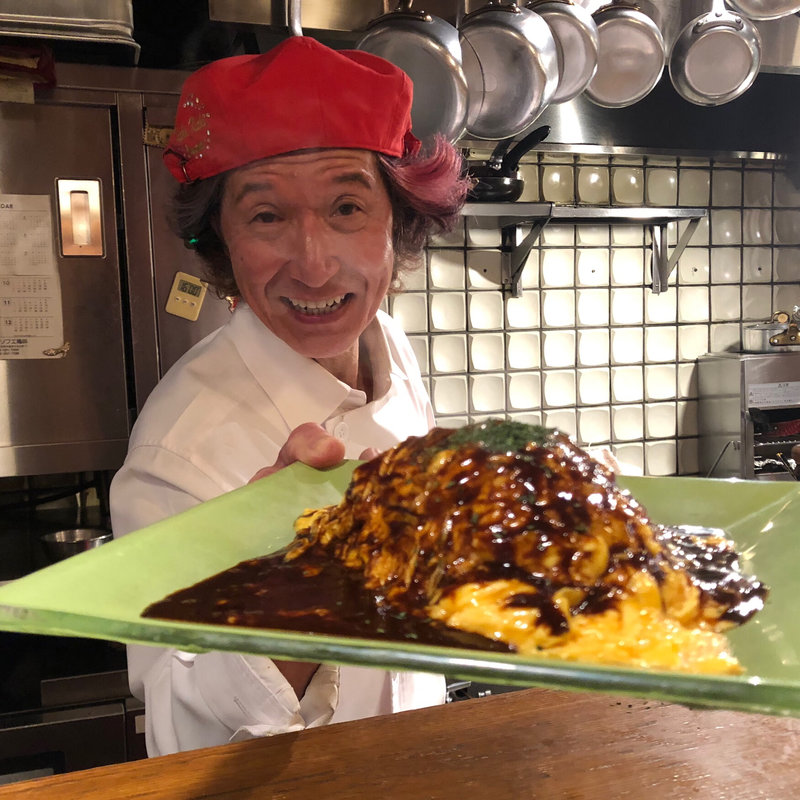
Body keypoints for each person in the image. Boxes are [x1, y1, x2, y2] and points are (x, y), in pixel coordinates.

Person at [109, 35, 469, 757]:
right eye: (267, 216)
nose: (313, 264)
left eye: (346, 207)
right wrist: (287, 612)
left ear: (398, 223)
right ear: (222, 241)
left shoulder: (388, 346)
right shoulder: (178, 453)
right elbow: (177, 735)